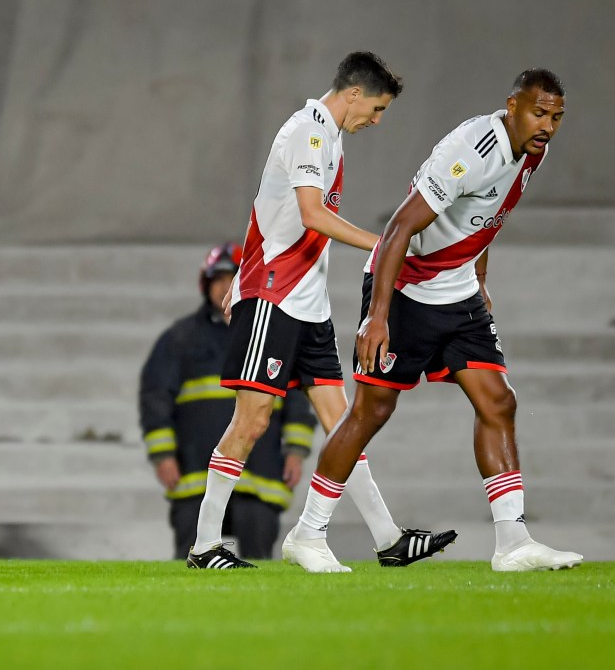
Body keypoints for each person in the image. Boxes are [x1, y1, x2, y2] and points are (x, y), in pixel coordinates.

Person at [287, 69, 583, 573]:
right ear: (512, 105)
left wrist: (480, 277)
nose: (547, 126)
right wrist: (376, 318)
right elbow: (400, 225)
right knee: (370, 414)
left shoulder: (533, 151)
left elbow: (489, 215)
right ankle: (307, 533)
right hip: (407, 290)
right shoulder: (471, 149)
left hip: (459, 292)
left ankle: (513, 543)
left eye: (556, 117)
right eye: (539, 113)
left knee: (499, 401)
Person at [188, 52, 456, 571]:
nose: (376, 121)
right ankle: (205, 545)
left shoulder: (329, 137)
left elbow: (279, 212)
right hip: (275, 295)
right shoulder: (308, 131)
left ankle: (387, 538)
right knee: (254, 419)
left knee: (344, 424)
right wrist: (384, 246)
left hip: (307, 303)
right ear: (353, 94)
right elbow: (312, 214)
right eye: (376, 109)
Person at [140, 243, 318, 560]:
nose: (226, 285)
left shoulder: (273, 334)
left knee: (259, 566)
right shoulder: (180, 338)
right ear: (205, 285)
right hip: (195, 476)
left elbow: (295, 395)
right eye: (218, 278)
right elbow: (155, 396)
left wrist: (296, 452)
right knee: (191, 564)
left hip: (259, 475)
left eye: (234, 276)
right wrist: (163, 455)